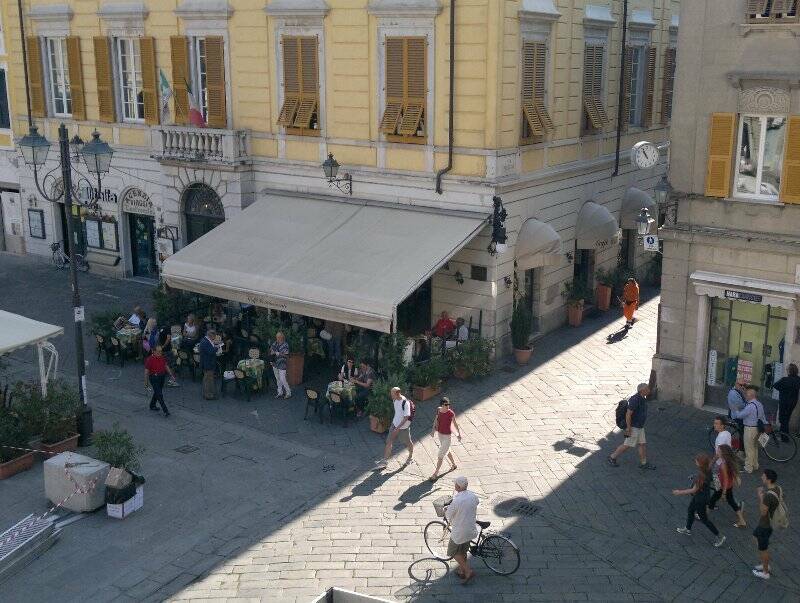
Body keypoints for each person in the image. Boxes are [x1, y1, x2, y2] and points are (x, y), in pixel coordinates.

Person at [673, 453, 726, 547]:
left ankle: (719, 536)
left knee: (704, 519)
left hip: (700, 499)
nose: (695, 462)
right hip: (703, 496)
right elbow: (711, 464)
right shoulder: (708, 469)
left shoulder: (701, 475)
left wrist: (679, 492)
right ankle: (687, 528)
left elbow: (693, 490)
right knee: (690, 510)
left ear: (700, 464)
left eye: (697, 461)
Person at [608, 383, 655, 469]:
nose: (649, 390)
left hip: (639, 427)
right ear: (642, 391)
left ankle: (643, 463)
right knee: (627, 445)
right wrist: (628, 428)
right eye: (647, 389)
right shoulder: (635, 400)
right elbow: (628, 414)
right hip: (634, 427)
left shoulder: (642, 398)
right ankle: (612, 457)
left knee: (642, 444)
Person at [444, 476, 479, 584]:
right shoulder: (473, 496)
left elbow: (448, 514)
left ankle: (468, 571)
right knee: (463, 550)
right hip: (471, 529)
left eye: (455, 484)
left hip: (460, 531)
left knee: (453, 552)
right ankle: (461, 570)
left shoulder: (456, 500)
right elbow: (476, 502)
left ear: (458, 486)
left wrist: (446, 509)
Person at [752, 469, 782, 580]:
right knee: (755, 538)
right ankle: (764, 563)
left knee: (763, 549)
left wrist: (761, 496)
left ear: (768, 479)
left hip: (765, 525)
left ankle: (765, 572)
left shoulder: (768, 496)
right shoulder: (777, 488)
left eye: (763, 476)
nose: (761, 477)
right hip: (767, 524)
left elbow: (763, 512)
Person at [731, 385, 768, 473]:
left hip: (750, 429)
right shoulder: (759, 404)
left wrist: (735, 409)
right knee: (755, 448)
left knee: (749, 449)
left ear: (751, 395)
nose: (745, 396)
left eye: (747, 394)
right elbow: (763, 417)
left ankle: (748, 467)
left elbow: (739, 415)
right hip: (757, 429)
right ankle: (755, 465)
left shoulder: (750, 406)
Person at [375, 387, 413, 469]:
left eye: (392, 394)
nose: (390, 395)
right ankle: (385, 461)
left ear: (397, 394)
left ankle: (410, 456)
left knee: (407, 443)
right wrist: (394, 425)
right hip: (394, 425)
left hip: (403, 428)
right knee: (388, 442)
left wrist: (398, 428)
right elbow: (398, 413)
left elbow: (406, 417)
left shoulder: (405, 403)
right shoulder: (395, 400)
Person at [429, 397, 461, 481]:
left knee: (440, 455)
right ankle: (454, 465)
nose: (448, 406)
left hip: (447, 436)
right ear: (442, 405)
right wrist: (433, 430)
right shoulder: (439, 410)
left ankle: (435, 473)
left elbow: (455, 424)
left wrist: (458, 434)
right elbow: (436, 420)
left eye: (448, 404)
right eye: (446, 405)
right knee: (447, 450)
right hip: (440, 434)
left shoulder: (451, 413)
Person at [143, 345, 174, 417]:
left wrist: (171, 375)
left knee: (157, 392)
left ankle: (152, 405)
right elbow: (146, 372)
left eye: (161, 351)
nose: (160, 353)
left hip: (162, 377)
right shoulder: (149, 359)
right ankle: (165, 410)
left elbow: (166, 366)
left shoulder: (162, 357)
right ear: (153, 351)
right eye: (158, 351)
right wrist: (146, 383)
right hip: (154, 378)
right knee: (159, 394)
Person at [772, 363, 800, 438]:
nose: (786, 370)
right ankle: (785, 435)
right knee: (786, 418)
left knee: (782, 419)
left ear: (790, 371)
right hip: (793, 402)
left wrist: (782, 389)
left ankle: (784, 437)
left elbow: (775, 385)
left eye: (787, 369)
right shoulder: (798, 379)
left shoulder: (785, 380)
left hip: (784, 402)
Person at [270, 331, 291, 399]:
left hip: (282, 364)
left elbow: (286, 356)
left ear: (282, 337)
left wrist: (278, 353)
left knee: (282, 379)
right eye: (277, 337)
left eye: (279, 337)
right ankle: (280, 392)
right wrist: (272, 353)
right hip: (275, 363)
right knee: (278, 379)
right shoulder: (275, 343)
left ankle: (288, 393)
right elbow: (271, 351)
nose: (277, 338)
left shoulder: (285, 345)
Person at [199, 329, 219, 400]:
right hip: (208, 363)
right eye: (214, 336)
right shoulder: (205, 342)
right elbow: (210, 351)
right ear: (211, 335)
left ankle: (209, 393)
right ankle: (208, 395)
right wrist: (216, 348)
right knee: (208, 379)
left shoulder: (205, 340)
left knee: (208, 379)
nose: (215, 337)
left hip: (207, 363)